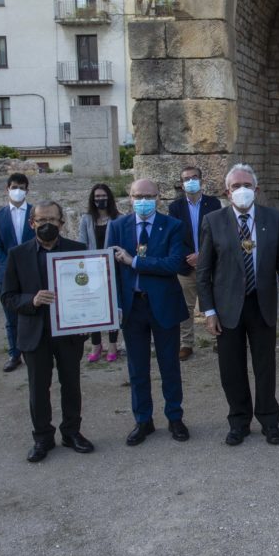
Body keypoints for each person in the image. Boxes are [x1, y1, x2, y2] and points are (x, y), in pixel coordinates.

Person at [196, 164, 279, 446]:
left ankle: (269, 420)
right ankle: (239, 421)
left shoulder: (272, 218)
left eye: (247, 186)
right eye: (236, 186)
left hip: (261, 303)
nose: (242, 191)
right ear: (227, 191)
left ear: (257, 190)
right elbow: (204, 271)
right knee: (231, 367)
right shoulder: (213, 221)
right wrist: (209, 311)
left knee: (266, 366)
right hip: (227, 308)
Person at [1, 201, 94, 463]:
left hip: (69, 332)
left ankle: (72, 432)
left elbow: (90, 290)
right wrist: (31, 300)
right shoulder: (17, 255)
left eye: (52, 220)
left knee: (71, 385)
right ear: (32, 223)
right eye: (41, 220)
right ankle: (42, 437)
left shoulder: (78, 250)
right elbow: (8, 297)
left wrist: (91, 318)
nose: (47, 225)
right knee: (38, 388)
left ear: (62, 223)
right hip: (35, 332)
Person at [109, 179, 190, 447]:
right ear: (129, 198)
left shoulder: (173, 226)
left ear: (158, 197)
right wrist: (114, 305)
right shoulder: (117, 226)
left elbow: (173, 264)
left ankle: (175, 417)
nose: (142, 199)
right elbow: (109, 269)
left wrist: (134, 261)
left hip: (163, 304)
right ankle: (143, 419)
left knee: (170, 365)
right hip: (132, 307)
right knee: (137, 368)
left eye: (148, 195)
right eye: (137, 195)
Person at [168, 164, 222, 361]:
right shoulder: (175, 207)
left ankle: (218, 340)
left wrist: (203, 255)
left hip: (209, 264)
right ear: (182, 185)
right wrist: (190, 257)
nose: (190, 181)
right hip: (185, 265)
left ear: (202, 180)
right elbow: (174, 237)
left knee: (214, 302)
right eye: (186, 178)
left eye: (194, 177)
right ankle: (186, 343)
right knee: (185, 307)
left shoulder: (214, 203)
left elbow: (218, 232)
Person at [0, 172, 33, 372]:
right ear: (7, 189)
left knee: (34, 312)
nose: (18, 191)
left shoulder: (35, 213)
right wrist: (9, 267)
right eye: (14, 187)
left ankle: (34, 351)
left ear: (27, 190)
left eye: (22, 187)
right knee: (11, 317)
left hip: (32, 272)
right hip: (6, 274)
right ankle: (14, 354)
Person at [77, 182, 122, 363]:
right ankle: (96, 344)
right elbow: (82, 243)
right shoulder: (86, 219)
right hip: (91, 270)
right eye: (97, 197)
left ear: (109, 198)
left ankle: (112, 344)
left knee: (112, 307)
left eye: (103, 196)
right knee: (93, 307)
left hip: (112, 269)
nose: (100, 200)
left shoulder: (118, 218)